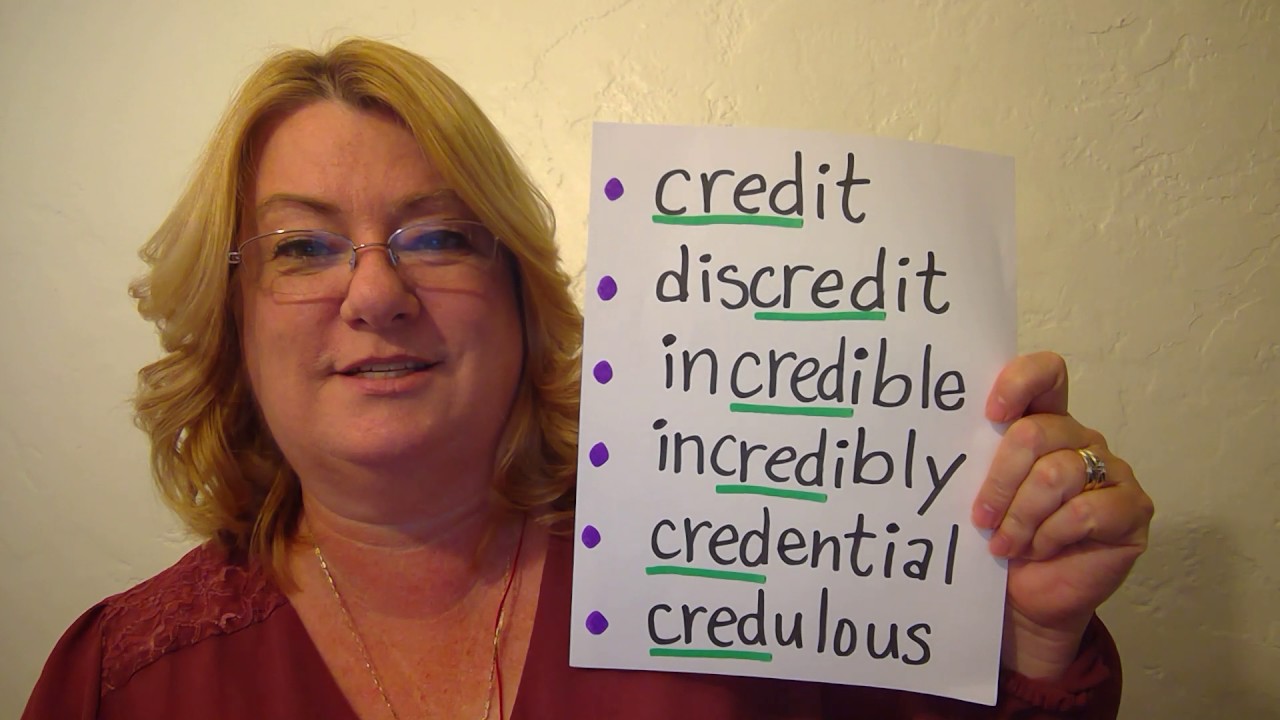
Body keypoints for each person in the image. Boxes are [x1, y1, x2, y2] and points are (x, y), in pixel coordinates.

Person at [22, 38, 1153, 719]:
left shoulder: (742, 569)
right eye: (302, 247)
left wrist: (1025, 639)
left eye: (437, 235)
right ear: (230, 319)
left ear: (521, 298)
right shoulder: (124, 684)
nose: (374, 293)